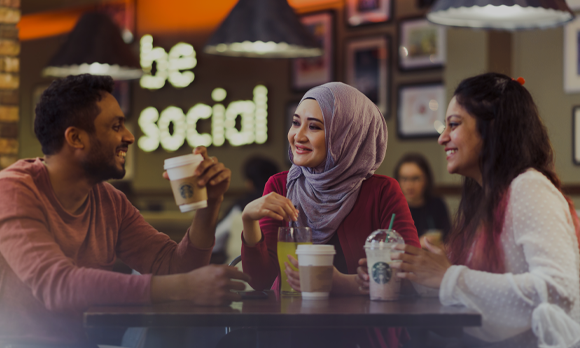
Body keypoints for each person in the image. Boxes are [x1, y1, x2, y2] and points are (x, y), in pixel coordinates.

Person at [0, 74, 249, 348]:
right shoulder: (13, 189)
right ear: (75, 137)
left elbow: (174, 269)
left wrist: (209, 204)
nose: (129, 136)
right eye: (116, 126)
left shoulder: (109, 201)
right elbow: (56, 285)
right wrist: (184, 286)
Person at [360, 73, 580, 347]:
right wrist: (407, 275)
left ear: (494, 128)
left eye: (454, 124)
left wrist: (449, 275)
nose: (442, 138)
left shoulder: (529, 187)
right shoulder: (485, 198)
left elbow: (560, 291)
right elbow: (471, 291)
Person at [240, 82, 420, 347]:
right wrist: (248, 220)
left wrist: (341, 284)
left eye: (314, 127)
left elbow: (411, 275)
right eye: (295, 123)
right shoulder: (279, 187)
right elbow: (260, 281)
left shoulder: (382, 191)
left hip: (364, 335)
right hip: (290, 334)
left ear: (346, 135)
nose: (298, 136)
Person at [212, 156, 280, 264]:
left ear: (249, 183)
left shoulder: (240, 207)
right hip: (282, 275)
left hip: (239, 273)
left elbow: (214, 242)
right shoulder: (287, 204)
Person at [393, 153, 451, 239]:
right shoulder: (392, 208)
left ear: (426, 179)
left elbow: (448, 238)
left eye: (415, 178)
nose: (409, 185)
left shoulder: (437, 204)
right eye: (404, 179)